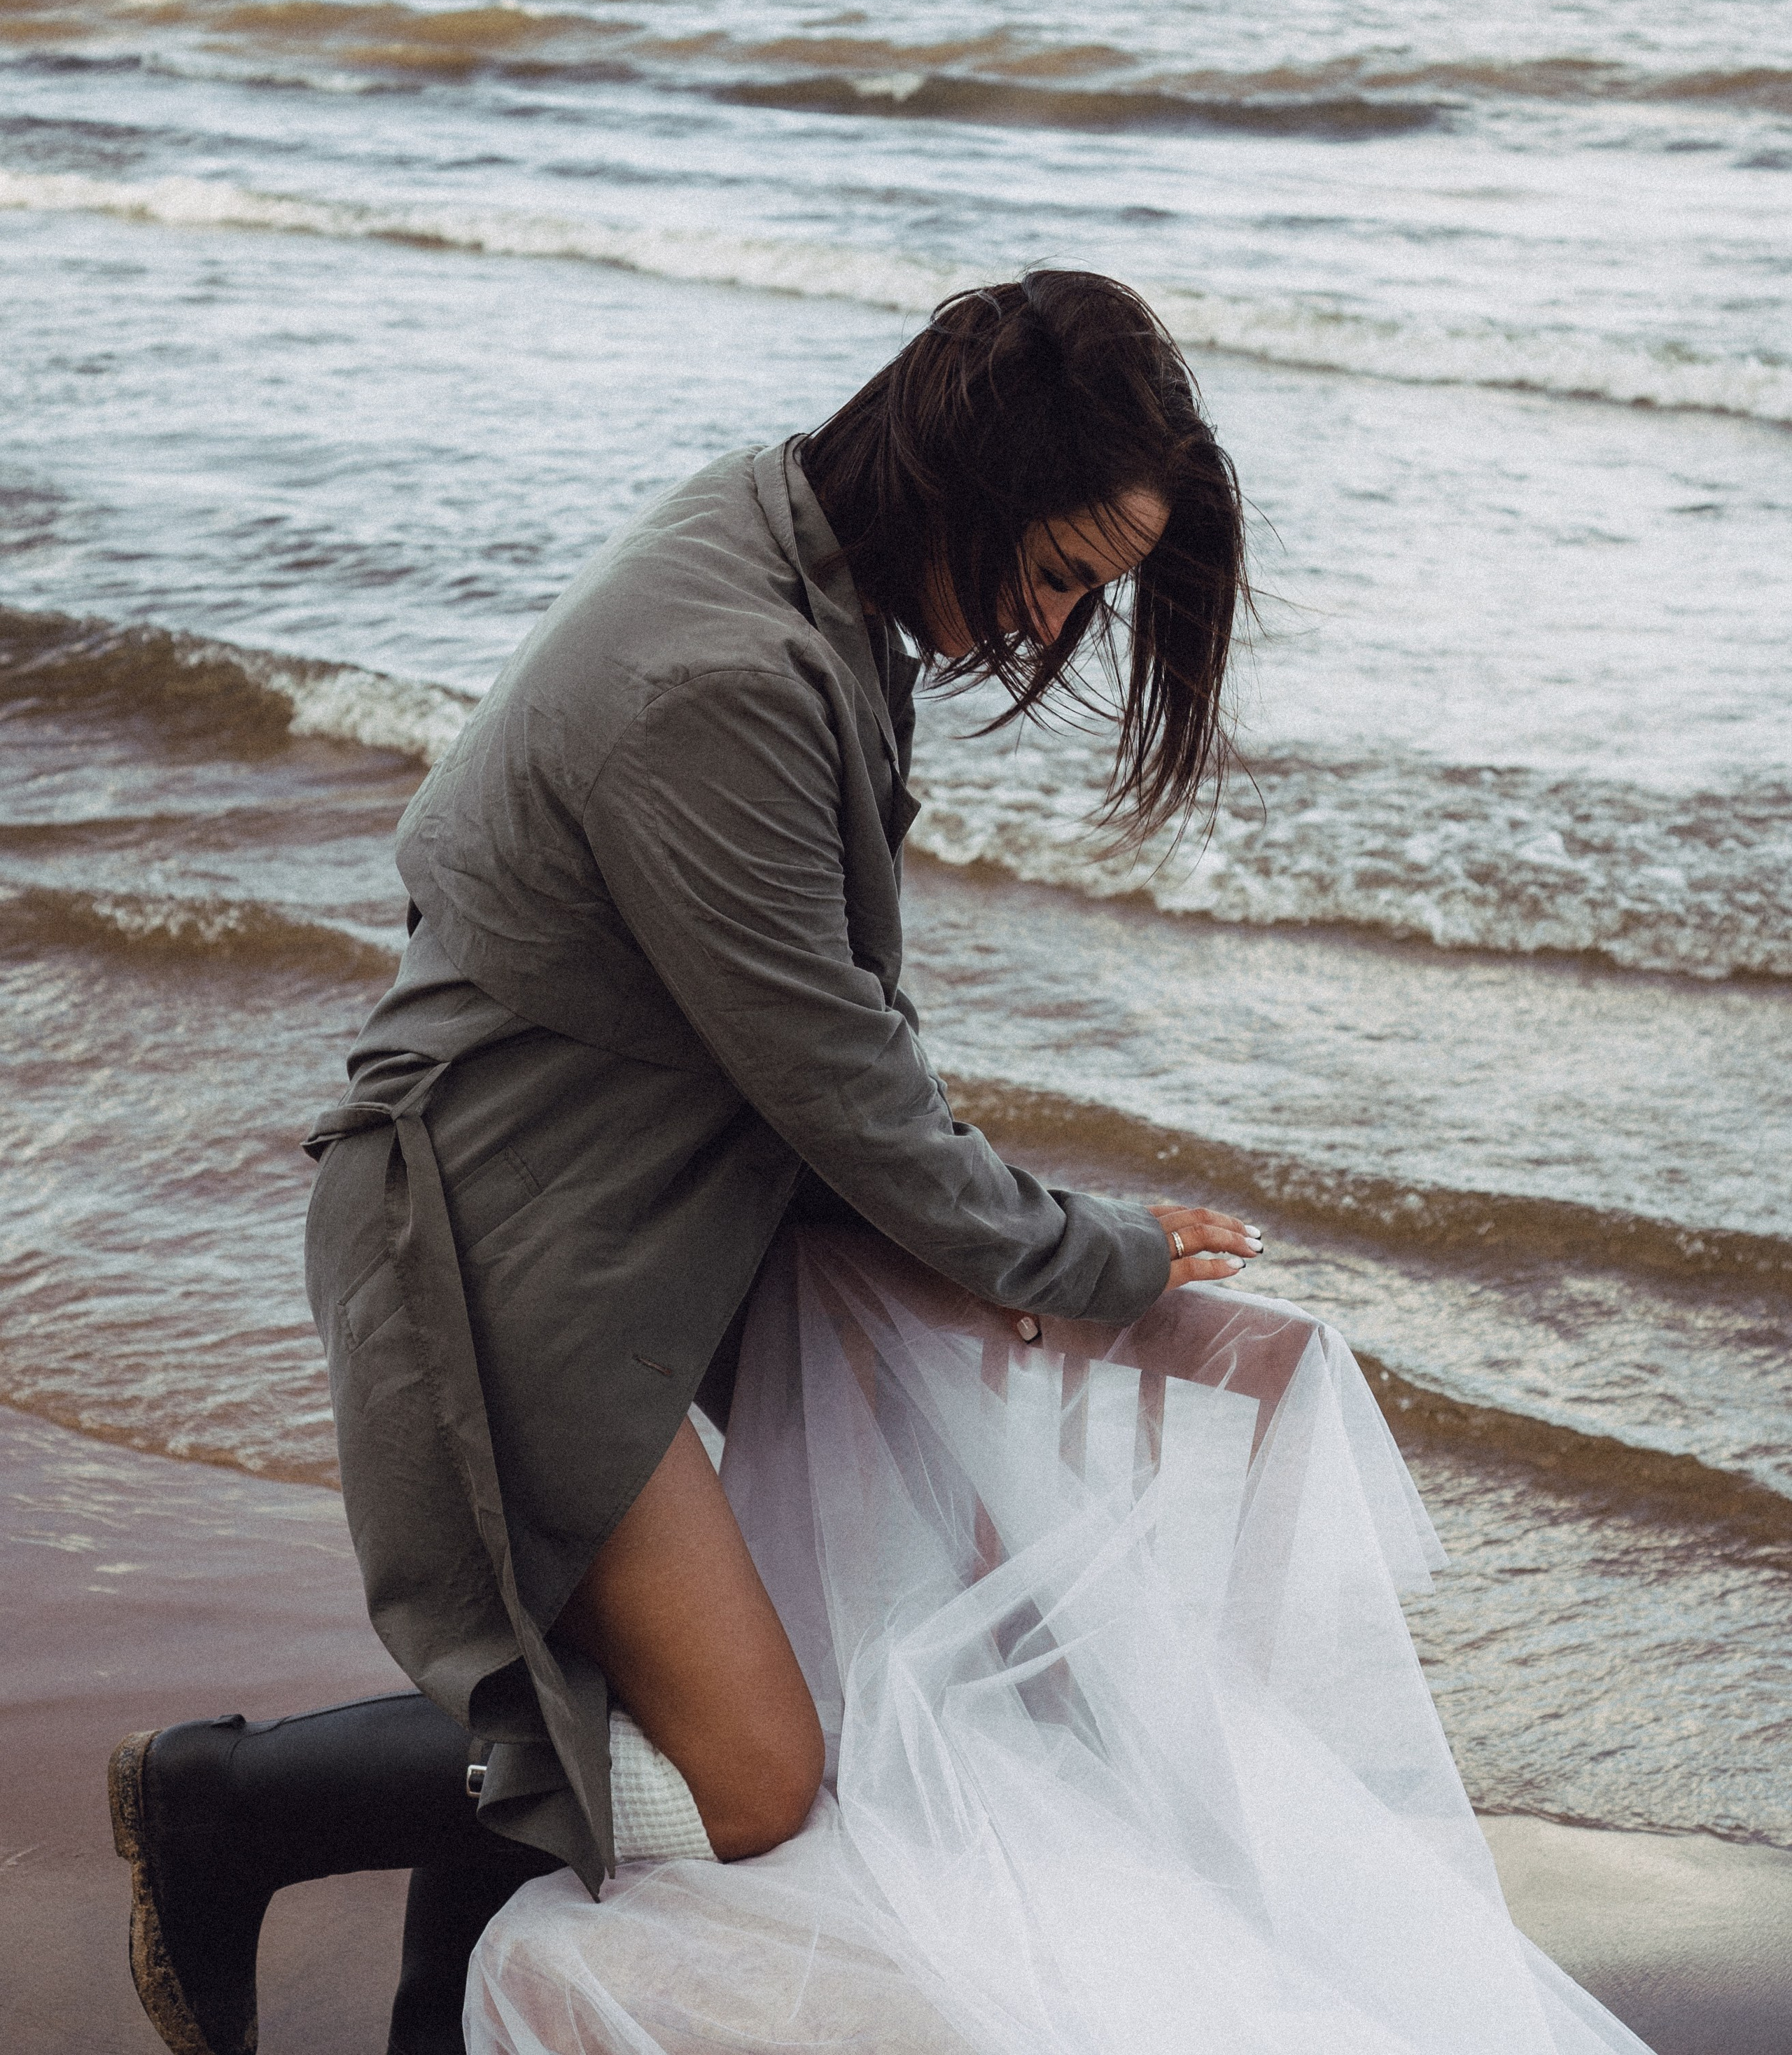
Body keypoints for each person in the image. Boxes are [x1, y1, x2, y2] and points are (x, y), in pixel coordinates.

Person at [110, 270, 1261, 2055]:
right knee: (746, 1781)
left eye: (1084, 600)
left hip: (608, 1210)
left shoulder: (791, 538)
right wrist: (1075, 1252)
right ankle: (223, 1810)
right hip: (502, 1237)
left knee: (585, 1692)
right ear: (953, 477)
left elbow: (789, 1031)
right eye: (1048, 574)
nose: (1047, 636)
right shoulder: (719, 673)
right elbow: (837, 1073)